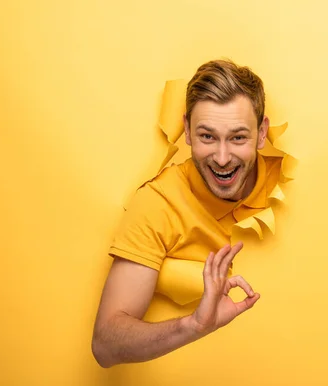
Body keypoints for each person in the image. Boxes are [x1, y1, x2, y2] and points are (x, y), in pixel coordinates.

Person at [92, 59, 281, 368]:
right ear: (188, 132)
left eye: (238, 137)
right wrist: (193, 325)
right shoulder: (157, 202)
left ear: (262, 133)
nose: (222, 158)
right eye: (207, 136)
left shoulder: (292, 181)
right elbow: (105, 343)